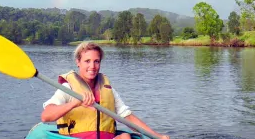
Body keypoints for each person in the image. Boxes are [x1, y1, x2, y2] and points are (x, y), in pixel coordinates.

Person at [41, 42, 170, 139]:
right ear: (78, 62)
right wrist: (74, 103)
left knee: (125, 137)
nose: (92, 66)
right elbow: (46, 116)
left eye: (96, 61)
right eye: (87, 61)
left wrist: (157, 136)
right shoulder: (68, 88)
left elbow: (127, 117)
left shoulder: (108, 90)